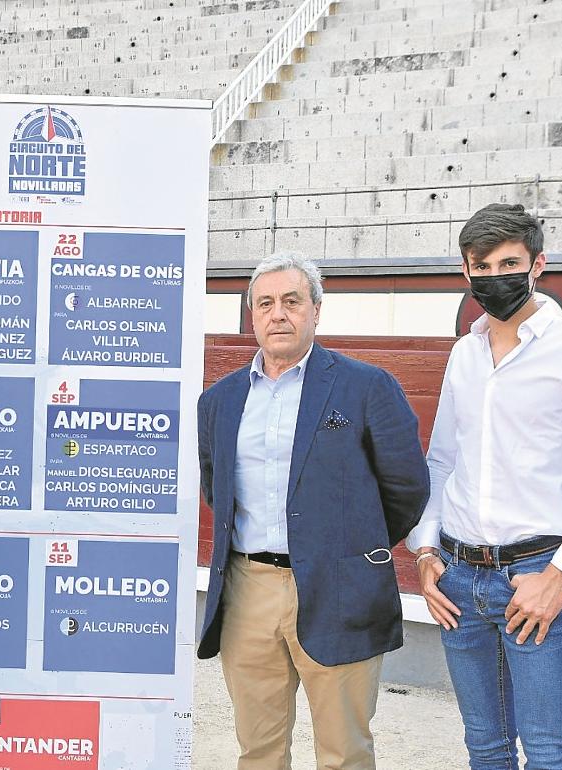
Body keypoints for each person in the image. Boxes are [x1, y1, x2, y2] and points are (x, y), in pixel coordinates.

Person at [407, 203, 562, 770]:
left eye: (508, 263)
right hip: (458, 579)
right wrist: (423, 551)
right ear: (465, 273)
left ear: (538, 264)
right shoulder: (465, 354)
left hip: (535, 577)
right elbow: (441, 461)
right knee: (484, 749)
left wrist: (560, 578)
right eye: (479, 267)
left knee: (549, 752)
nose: (494, 277)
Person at [196, 252, 429, 770]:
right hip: (248, 588)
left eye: (291, 301)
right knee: (257, 750)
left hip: (339, 587)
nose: (278, 314)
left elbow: (406, 488)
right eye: (265, 304)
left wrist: (350, 548)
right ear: (252, 316)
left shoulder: (366, 387)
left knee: (344, 752)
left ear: (316, 311)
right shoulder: (219, 401)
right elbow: (219, 489)